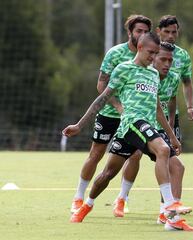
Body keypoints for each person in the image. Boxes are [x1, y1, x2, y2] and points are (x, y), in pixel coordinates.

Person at [63, 32, 193, 231]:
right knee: (152, 154)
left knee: (176, 166)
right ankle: (87, 205)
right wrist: (79, 125)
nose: (153, 57)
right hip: (131, 124)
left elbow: (157, 108)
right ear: (140, 47)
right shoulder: (124, 69)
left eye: (156, 53)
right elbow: (102, 98)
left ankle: (172, 220)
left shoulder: (153, 74)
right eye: (151, 52)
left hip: (146, 127)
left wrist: (171, 135)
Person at [70, 14, 152, 213]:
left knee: (136, 155)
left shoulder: (150, 55)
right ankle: (79, 197)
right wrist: (118, 107)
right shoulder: (115, 54)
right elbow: (101, 85)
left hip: (135, 117)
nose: (142, 34)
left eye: (145, 31)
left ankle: (122, 199)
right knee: (96, 153)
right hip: (109, 113)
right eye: (138, 31)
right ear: (130, 32)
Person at [112, 42, 192, 224]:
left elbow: (169, 102)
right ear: (152, 57)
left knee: (178, 167)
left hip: (155, 127)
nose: (167, 64)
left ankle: (168, 213)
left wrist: (171, 131)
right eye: (162, 59)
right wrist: (120, 108)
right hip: (134, 124)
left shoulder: (169, 77)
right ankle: (121, 198)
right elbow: (107, 92)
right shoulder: (135, 71)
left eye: (170, 61)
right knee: (115, 168)